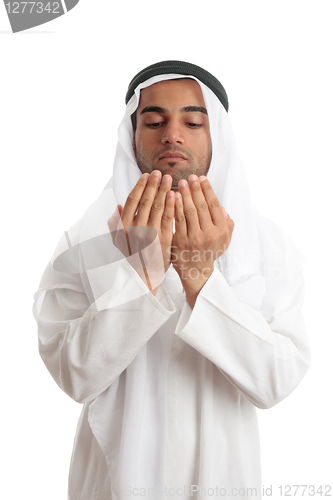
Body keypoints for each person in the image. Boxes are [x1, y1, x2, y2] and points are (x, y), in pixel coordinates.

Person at [33, 61, 311, 500]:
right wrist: (140, 276)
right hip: (111, 484)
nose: (172, 135)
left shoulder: (268, 245)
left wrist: (202, 279)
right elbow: (74, 376)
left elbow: (275, 381)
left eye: (193, 121)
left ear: (216, 134)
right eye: (154, 120)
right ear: (131, 134)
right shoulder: (84, 239)